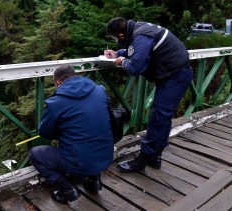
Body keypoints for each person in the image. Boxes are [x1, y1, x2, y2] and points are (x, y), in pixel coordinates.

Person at [104, 17, 193, 173]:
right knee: (163, 116)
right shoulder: (139, 29)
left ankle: (143, 158)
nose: (115, 40)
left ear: (121, 35)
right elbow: (138, 51)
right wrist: (117, 53)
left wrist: (121, 61)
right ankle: (155, 155)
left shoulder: (141, 36)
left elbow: (136, 67)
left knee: (159, 116)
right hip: (173, 74)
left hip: (175, 76)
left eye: (114, 38)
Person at [29, 66, 114, 204]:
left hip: (79, 163)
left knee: (35, 154)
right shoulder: (100, 90)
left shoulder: (55, 102)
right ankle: (94, 181)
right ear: (75, 75)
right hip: (106, 156)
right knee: (91, 135)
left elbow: (45, 133)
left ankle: (67, 189)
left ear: (58, 83)